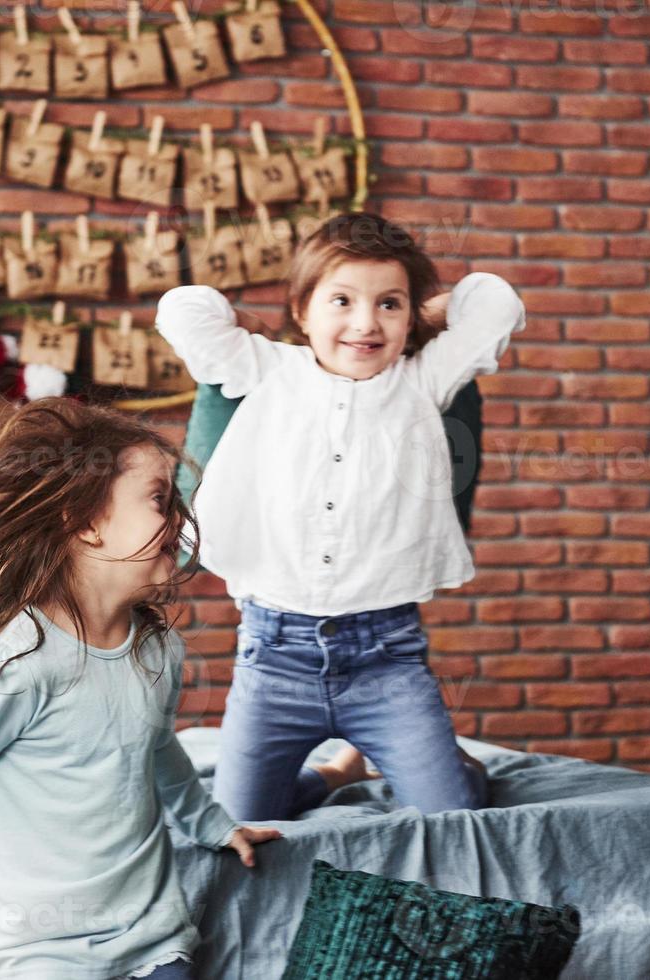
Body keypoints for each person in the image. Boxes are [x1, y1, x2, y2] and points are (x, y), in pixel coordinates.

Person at [0, 397, 282, 980]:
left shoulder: (158, 651)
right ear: (86, 524)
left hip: (152, 939)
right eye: (160, 500)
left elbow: (158, 750)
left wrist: (214, 825)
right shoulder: (17, 657)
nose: (180, 519)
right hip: (36, 949)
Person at [154, 211, 526, 822]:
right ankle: (333, 772)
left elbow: (496, 303)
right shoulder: (268, 369)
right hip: (273, 660)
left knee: (452, 817)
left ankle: (446, 766)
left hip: (388, 661)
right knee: (243, 823)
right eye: (342, 301)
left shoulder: (423, 380)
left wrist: (425, 316)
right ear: (303, 310)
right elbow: (183, 310)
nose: (364, 323)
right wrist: (256, 328)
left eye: (388, 305)